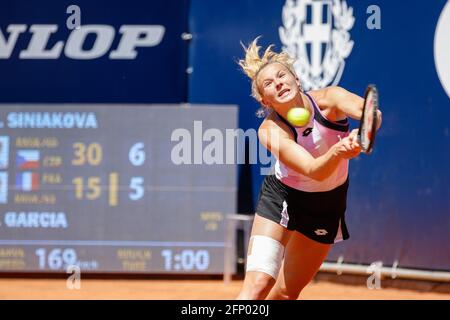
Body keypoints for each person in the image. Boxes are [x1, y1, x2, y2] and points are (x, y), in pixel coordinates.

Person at [236, 38, 382, 300]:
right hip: (281, 199)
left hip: (327, 206)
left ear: (297, 80)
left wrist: (362, 132)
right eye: (268, 84)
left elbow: (371, 114)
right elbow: (313, 170)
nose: (278, 83)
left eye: (282, 75)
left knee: (284, 293)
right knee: (257, 286)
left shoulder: (331, 99)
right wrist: (338, 150)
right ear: (265, 102)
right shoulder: (269, 130)